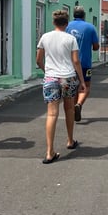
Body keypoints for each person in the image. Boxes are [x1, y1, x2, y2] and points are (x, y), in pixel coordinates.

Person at [36, 10, 86, 164]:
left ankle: (49, 152)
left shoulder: (45, 37)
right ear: (67, 24)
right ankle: (70, 140)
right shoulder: (71, 39)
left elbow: (38, 60)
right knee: (69, 109)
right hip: (67, 78)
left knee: (52, 114)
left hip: (51, 78)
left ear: (54, 22)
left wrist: (47, 72)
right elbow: (76, 61)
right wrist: (82, 81)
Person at [66, 5, 100, 122]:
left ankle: (73, 110)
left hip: (69, 63)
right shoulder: (90, 27)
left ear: (73, 15)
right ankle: (79, 104)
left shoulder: (67, 26)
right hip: (85, 63)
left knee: (72, 88)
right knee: (86, 86)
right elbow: (96, 47)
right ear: (84, 15)